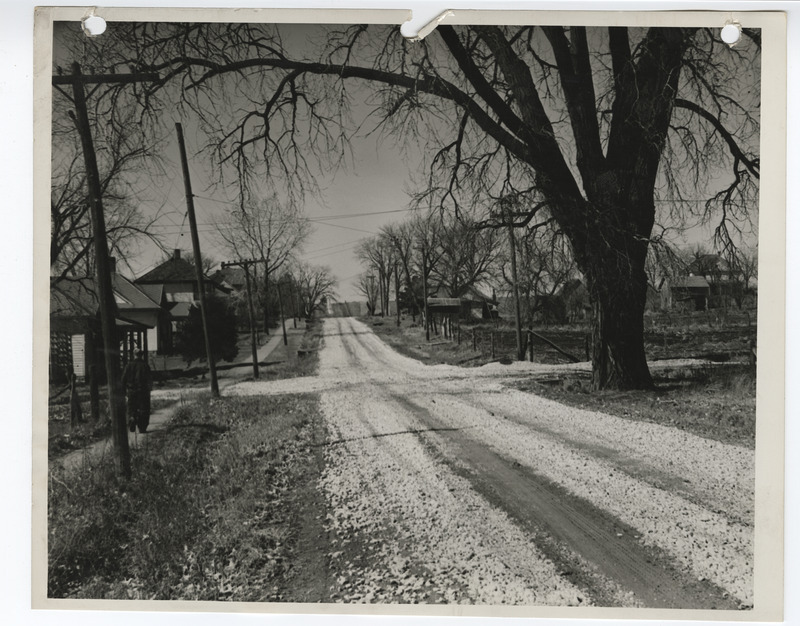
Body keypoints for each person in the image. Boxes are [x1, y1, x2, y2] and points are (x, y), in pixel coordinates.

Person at [121, 350, 152, 434]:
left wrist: (123, 391)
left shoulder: (129, 366)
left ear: (134, 355)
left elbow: (123, 379)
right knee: (144, 409)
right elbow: (149, 379)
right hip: (143, 391)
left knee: (131, 408)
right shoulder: (145, 365)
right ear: (141, 355)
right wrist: (149, 389)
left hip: (131, 391)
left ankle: (132, 418)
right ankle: (142, 427)